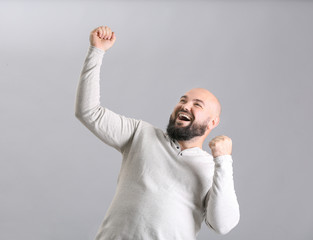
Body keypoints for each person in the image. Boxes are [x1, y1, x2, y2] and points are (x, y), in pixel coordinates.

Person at [75, 25, 240, 240]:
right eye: (183, 100)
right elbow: (88, 112)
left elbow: (223, 224)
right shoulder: (140, 134)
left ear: (212, 122)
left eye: (197, 105)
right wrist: (97, 51)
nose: (185, 106)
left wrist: (224, 161)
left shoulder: (212, 168)